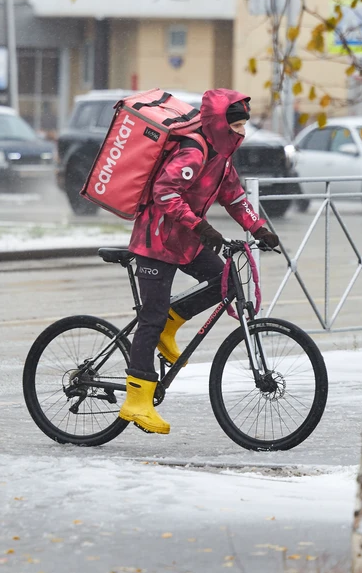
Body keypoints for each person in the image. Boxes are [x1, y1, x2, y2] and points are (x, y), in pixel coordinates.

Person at [118, 89, 281, 434]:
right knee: (151, 316)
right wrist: (200, 225)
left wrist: (260, 228)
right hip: (155, 242)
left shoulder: (221, 157)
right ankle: (136, 402)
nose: (241, 132)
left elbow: (235, 197)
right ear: (219, 124)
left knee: (225, 282)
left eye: (243, 126)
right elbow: (164, 191)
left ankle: (170, 323)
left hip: (185, 243)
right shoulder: (194, 151)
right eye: (235, 125)